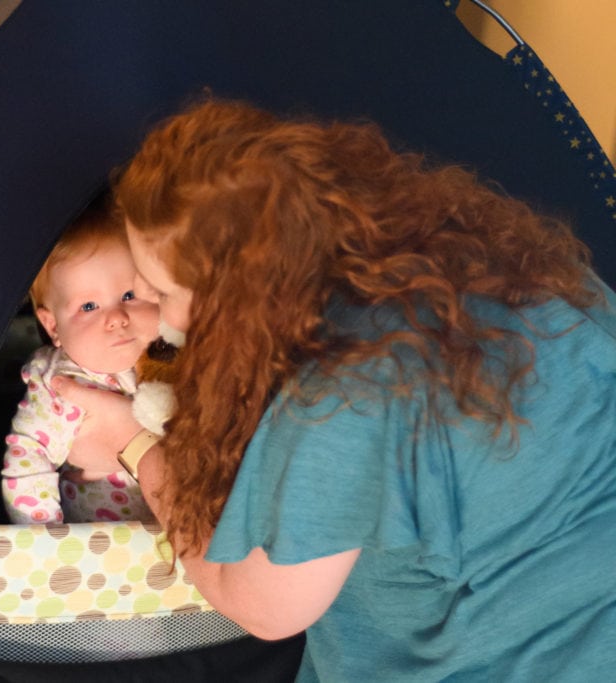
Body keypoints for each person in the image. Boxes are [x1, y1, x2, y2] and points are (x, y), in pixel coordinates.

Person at [52, 99, 616, 680]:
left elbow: (264, 608)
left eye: (162, 294)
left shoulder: (341, 400)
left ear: (236, 299)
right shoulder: (522, 271)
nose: (160, 317)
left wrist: (134, 442)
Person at [1, 196, 160, 524]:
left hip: (183, 532)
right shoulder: (60, 384)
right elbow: (29, 457)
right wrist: (46, 541)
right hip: (101, 545)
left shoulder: (170, 355)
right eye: (89, 306)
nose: (116, 317)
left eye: (128, 296)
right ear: (53, 326)